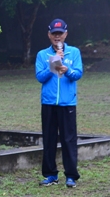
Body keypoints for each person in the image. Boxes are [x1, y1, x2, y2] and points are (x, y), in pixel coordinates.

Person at [35, 18, 83, 187]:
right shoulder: (42, 55)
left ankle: (71, 175)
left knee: (68, 140)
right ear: (49, 35)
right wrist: (53, 63)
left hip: (67, 103)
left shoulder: (74, 53)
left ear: (65, 34)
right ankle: (50, 175)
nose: (57, 37)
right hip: (48, 103)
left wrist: (67, 70)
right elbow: (40, 77)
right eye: (54, 34)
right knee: (48, 139)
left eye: (60, 34)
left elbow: (78, 74)